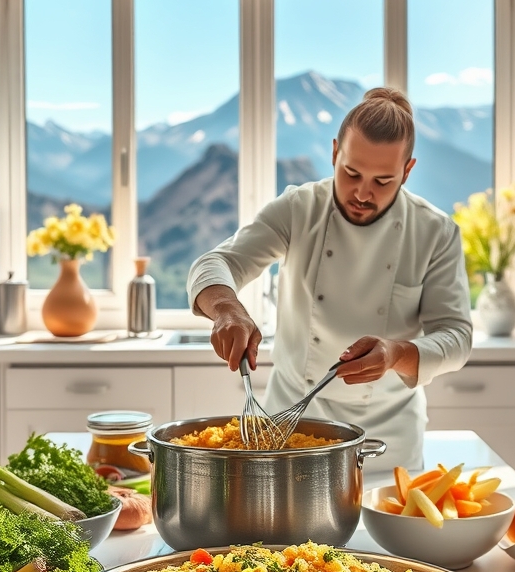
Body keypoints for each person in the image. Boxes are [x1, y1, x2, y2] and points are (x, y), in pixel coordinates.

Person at [187, 87, 472, 474]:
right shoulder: (298, 209)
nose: (362, 193)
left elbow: (456, 336)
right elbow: (217, 262)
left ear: (407, 171)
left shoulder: (435, 232)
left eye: (383, 181)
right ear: (335, 152)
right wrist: (226, 310)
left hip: (386, 445)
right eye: (351, 173)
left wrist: (395, 354)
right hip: (287, 434)